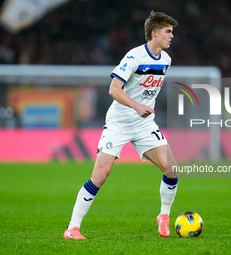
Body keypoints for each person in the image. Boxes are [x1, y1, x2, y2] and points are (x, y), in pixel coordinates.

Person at [63, 11, 178, 239]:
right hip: (119, 123)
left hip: (144, 124)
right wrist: (136, 105)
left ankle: (164, 216)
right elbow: (114, 89)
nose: (172, 36)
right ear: (154, 33)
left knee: (172, 169)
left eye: (172, 32)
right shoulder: (134, 57)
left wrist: (142, 108)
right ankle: (72, 228)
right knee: (100, 176)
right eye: (168, 31)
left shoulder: (166, 60)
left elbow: (147, 90)